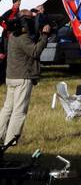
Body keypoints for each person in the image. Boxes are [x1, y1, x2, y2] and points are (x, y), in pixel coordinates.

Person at [0, 15, 51, 149]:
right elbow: (35, 52)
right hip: (22, 78)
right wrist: (44, 36)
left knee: (7, 109)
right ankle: (10, 142)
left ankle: (1, 135)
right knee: (19, 111)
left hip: (11, 77)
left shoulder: (12, 36)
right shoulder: (23, 38)